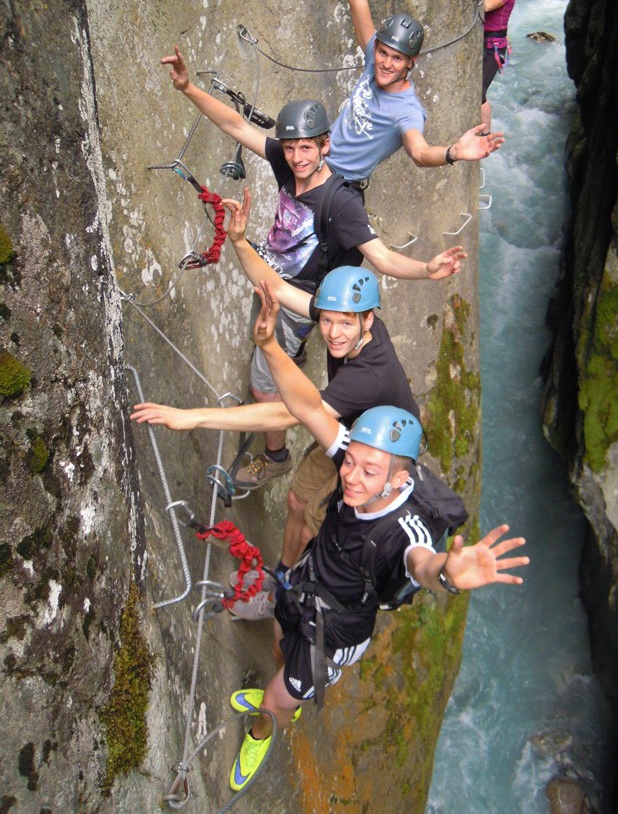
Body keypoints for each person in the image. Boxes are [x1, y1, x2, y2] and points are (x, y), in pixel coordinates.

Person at [225, 281, 530, 792]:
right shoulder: (360, 461)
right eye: (353, 462)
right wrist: (269, 345)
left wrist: (446, 575)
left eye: (369, 472)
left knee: (281, 694)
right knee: (281, 639)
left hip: (338, 628)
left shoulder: (400, 529)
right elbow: (306, 408)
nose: (350, 477)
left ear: (400, 481)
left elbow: (418, 562)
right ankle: (283, 687)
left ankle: (268, 723)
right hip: (307, 585)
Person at [161, 50, 464, 479]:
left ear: (326, 144)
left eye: (307, 147)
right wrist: (188, 87)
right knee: (267, 349)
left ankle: (276, 458)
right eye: (290, 148)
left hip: (296, 301)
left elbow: (380, 256)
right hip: (272, 278)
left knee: (262, 383)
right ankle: (291, 357)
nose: (298, 157)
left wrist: (426, 270)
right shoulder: (288, 167)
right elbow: (235, 125)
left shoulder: (340, 203)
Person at [132, 259, 421, 579]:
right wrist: (238, 240)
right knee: (297, 500)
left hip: (376, 457)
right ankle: (282, 572)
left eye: (345, 324)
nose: (333, 333)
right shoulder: (349, 312)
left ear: (368, 319)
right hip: (346, 428)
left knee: (313, 530)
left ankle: (291, 590)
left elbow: (289, 413)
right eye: (326, 321)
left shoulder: (369, 376)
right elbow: (279, 288)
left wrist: (195, 417)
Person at [331, 0, 505, 184]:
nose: (386, 63)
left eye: (396, 58)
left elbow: (419, 152)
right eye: (383, 53)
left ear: (411, 62)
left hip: (340, 189)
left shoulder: (407, 111)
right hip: (315, 167)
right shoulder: (374, 60)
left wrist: (453, 152)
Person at [482, 0, 516, 129]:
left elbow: (488, 5)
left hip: (494, 45)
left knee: (480, 92)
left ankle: (486, 133)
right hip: (482, 42)